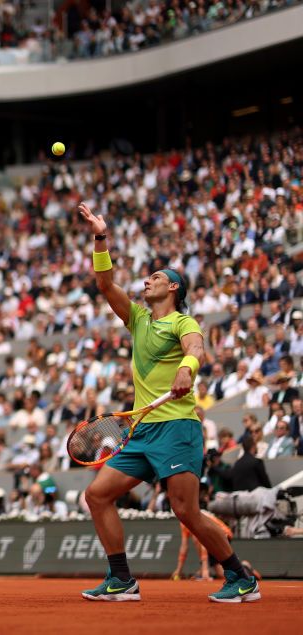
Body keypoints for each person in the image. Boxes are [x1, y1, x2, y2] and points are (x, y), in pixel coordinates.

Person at [76, 203, 259, 604]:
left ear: (173, 287)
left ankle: (239, 576)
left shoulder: (182, 323)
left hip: (177, 427)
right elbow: (106, 284)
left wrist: (187, 368)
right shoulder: (138, 320)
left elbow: (196, 347)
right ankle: (122, 579)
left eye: (156, 277)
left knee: (185, 510)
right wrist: (100, 236)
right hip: (143, 432)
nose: (147, 280)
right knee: (98, 495)